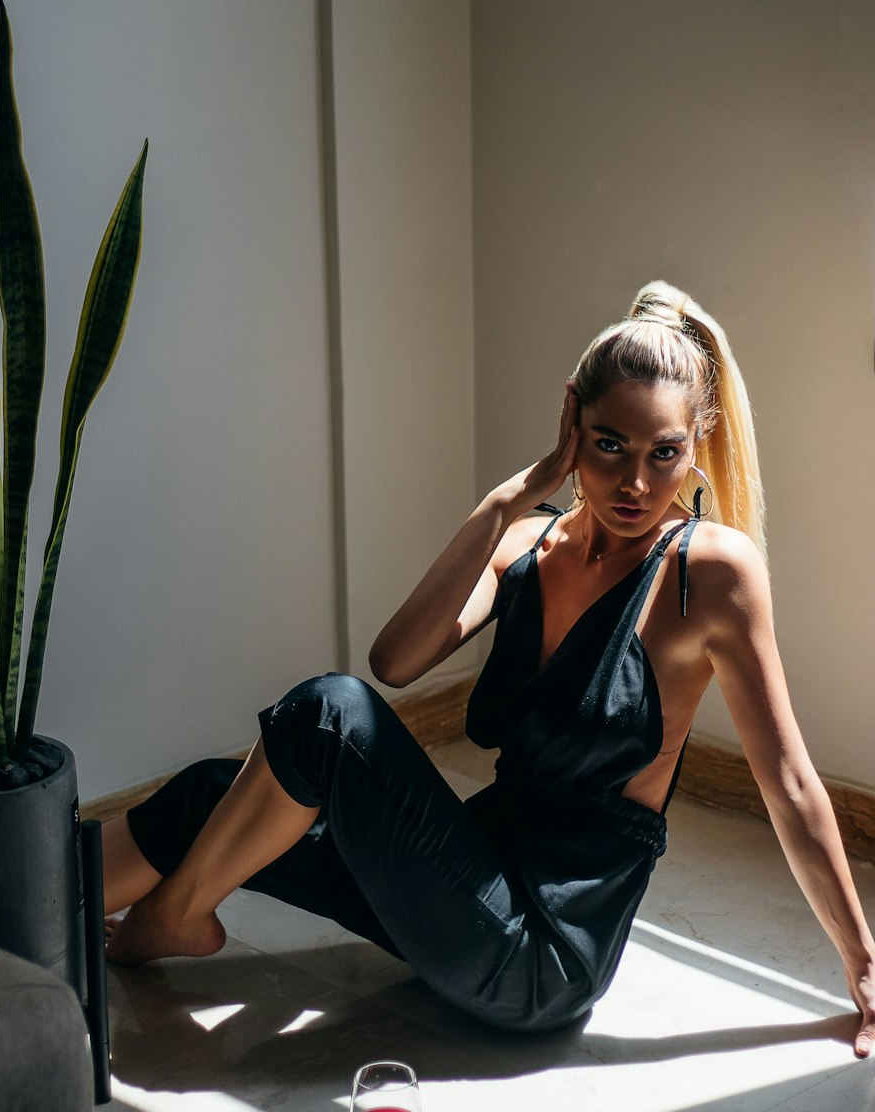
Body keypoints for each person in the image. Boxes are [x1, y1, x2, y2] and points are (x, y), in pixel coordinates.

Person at [102, 281, 875, 1056]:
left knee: (326, 715)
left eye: (664, 453)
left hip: (539, 958)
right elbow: (396, 660)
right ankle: (24, 916)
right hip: (464, 885)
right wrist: (507, 503)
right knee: (212, 791)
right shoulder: (528, 544)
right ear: (573, 420)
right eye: (610, 445)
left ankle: (170, 922)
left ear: (696, 442)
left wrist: (865, 966)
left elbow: (792, 785)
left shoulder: (710, 573)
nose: (637, 483)